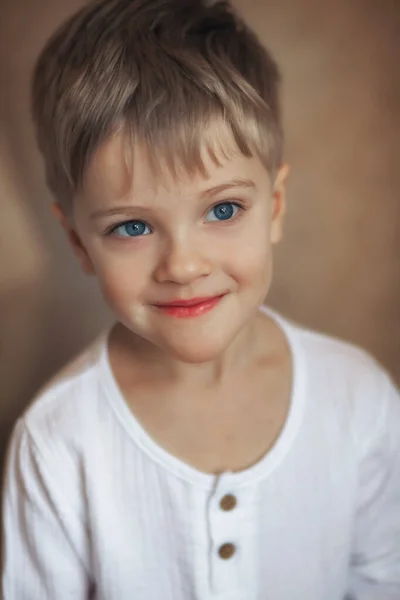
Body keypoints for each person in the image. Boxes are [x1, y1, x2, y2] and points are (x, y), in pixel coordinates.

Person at [2, 0, 400, 597]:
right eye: (132, 226)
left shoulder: (359, 399)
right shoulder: (57, 444)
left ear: (277, 207)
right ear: (78, 243)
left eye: (222, 209)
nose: (183, 266)